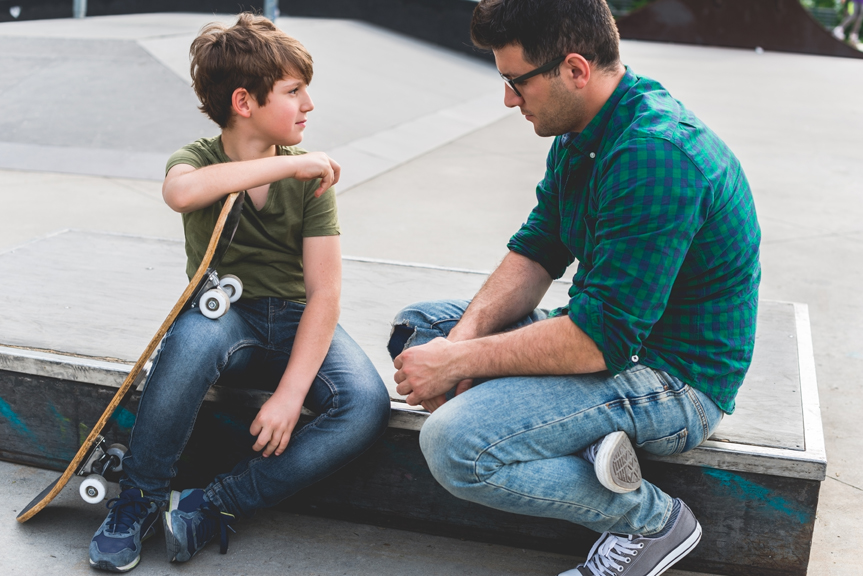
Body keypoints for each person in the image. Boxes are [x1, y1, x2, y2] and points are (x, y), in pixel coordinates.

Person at [388, 1, 761, 575]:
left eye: (515, 81)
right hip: (606, 339)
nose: (509, 99)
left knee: (455, 446)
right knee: (420, 330)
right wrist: (455, 348)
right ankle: (584, 440)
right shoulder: (584, 128)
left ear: (575, 69)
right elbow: (537, 250)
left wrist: (459, 362)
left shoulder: (655, 155)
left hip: (674, 379)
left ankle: (652, 521)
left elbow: (597, 343)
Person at [88, 13, 391, 572]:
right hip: (226, 317)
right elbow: (180, 194)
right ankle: (140, 500)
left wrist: (291, 395)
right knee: (186, 347)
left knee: (366, 404)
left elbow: (325, 294)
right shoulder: (200, 160)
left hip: (298, 317)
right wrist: (283, 167)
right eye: (294, 91)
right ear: (245, 102)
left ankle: (216, 504)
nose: (309, 105)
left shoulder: (309, 181)